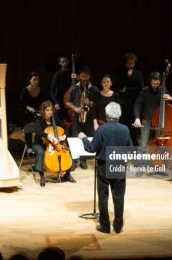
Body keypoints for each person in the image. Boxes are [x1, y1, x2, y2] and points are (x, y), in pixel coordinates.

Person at [79, 102, 133, 234]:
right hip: (119, 165)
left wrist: (84, 138)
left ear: (107, 115)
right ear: (119, 115)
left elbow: (91, 148)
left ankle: (105, 226)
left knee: (103, 196)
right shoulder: (125, 129)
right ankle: (118, 226)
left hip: (104, 165)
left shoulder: (101, 129)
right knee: (119, 197)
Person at [33, 100, 76, 187]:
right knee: (41, 152)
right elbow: (38, 131)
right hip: (40, 143)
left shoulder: (55, 119)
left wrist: (64, 136)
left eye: (51, 110)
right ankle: (42, 176)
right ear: (43, 111)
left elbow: (65, 128)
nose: (50, 112)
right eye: (47, 110)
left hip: (54, 144)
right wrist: (49, 136)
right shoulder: (39, 120)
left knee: (66, 150)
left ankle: (68, 174)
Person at [65, 66, 99, 170]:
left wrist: (90, 102)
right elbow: (67, 101)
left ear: (89, 76)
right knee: (76, 138)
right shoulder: (74, 88)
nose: (84, 78)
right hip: (77, 116)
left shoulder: (94, 89)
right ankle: (74, 161)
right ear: (79, 76)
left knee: (86, 138)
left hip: (89, 118)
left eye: (86, 76)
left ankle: (83, 160)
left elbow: (98, 103)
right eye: (82, 76)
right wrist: (75, 108)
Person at [133, 71, 172, 155]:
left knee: (161, 143)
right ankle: (141, 163)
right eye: (153, 83)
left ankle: (159, 162)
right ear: (150, 82)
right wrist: (137, 118)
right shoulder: (144, 91)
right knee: (143, 143)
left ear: (160, 81)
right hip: (147, 119)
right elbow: (137, 104)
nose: (155, 85)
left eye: (157, 83)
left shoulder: (163, 90)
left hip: (160, 121)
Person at [115, 53, 144, 142]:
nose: (130, 65)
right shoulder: (121, 73)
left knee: (133, 125)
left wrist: (127, 88)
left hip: (134, 102)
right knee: (123, 124)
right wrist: (127, 78)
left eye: (132, 63)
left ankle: (133, 144)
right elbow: (118, 87)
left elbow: (141, 87)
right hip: (123, 102)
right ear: (125, 63)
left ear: (134, 64)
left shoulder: (138, 74)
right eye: (128, 63)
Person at [19, 71, 43, 154]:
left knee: (41, 127)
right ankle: (29, 147)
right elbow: (21, 104)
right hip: (27, 114)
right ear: (30, 80)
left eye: (37, 80)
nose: (36, 81)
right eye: (34, 80)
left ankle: (37, 146)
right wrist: (28, 108)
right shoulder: (25, 91)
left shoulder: (40, 90)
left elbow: (43, 102)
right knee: (28, 129)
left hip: (38, 113)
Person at [50, 55, 76, 122]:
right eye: (62, 62)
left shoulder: (73, 72)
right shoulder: (57, 74)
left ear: (68, 61)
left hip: (72, 98)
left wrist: (77, 78)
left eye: (65, 61)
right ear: (60, 63)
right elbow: (52, 91)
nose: (64, 63)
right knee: (62, 118)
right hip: (61, 99)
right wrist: (55, 102)